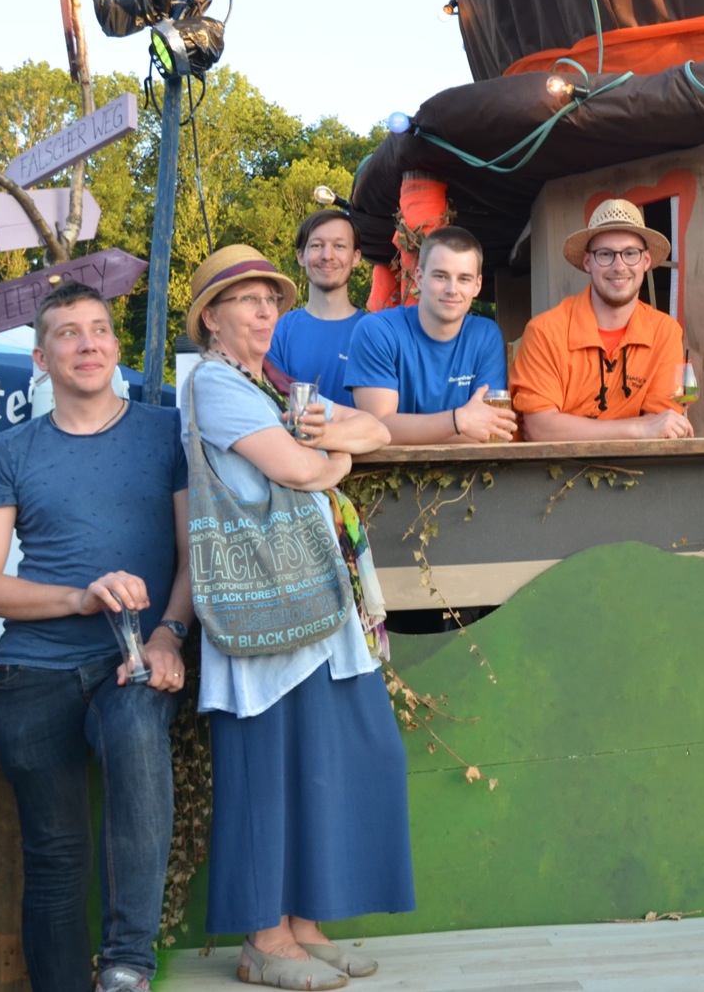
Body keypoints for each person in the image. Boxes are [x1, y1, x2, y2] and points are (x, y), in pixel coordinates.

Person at [182, 245, 408, 988]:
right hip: (263, 599)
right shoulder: (215, 385)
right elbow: (301, 468)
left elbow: (377, 428)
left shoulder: (277, 387)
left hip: (317, 595)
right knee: (267, 768)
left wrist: (325, 445)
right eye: (246, 300)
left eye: (270, 299)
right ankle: (263, 939)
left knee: (330, 759)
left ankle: (305, 925)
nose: (264, 310)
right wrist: (331, 459)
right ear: (211, 320)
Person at [0, 282, 191, 992]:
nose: (88, 344)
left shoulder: (167, 431)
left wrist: (170, 634)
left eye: (99, 329)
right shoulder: (10, 451)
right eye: (68, 333)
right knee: (55, 855)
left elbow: (195, 554)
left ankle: (126, 967)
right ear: (41, 358)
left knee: (137, 736)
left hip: (133, 658)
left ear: (116, 346)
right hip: (32, 672)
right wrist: (78, 597)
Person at [513, 199, 693, 440]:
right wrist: (639, 428)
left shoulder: (665, 332)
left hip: (642, 464)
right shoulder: (545, 331)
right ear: (588, 262)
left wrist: (565, 427)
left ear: (646, 261)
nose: (619, 266)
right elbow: (541, 428)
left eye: (630, 253)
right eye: (606, 254)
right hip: (556, 464)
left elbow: (662, 427)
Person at [348, 226, 516, 443]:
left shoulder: (485, 335)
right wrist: (458, 421)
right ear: (419, 278)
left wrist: (410, 430)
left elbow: (489, 431)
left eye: (464, 279)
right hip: (389, 465)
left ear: (477, 285)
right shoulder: (377, 331)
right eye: (441, 276)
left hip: (467, 464)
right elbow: (377, 429)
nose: (452, 289)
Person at [267, 208, 365, 407]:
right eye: (317, 245)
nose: (327, 255)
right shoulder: (277, 332)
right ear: (300, 256)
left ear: (356, 257)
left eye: (339, 246)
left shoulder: (373, 333)